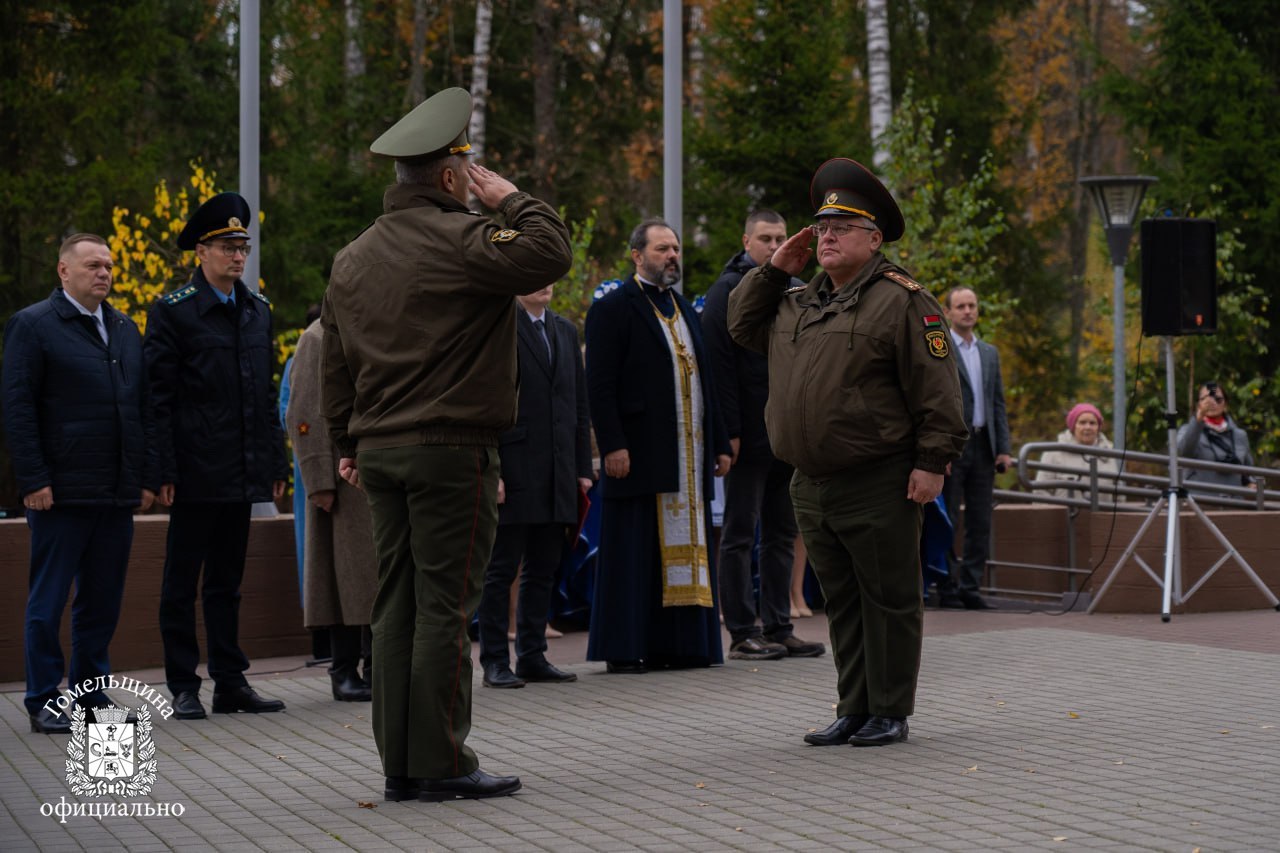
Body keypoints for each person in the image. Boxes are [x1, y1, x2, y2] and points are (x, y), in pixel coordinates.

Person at [320, 87, 572, 803]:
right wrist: (513, 196)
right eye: (465, 166)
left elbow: (336, 365)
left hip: (380, 451)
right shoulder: (462, 238)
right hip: (448, 448)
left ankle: (400, 761)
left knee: (395, 603)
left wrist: (346, 440)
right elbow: (549, 251)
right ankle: (441, 761)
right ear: (448, 175)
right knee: (443, 605)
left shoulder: (353, 257)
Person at [728, 157, 967, 747]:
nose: (826, 236)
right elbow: (736, 326)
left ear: (874, 238)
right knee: (841, 603)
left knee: (888, 600)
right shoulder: (798, 300)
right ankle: (854, 706)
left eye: (842, 227)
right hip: (812, 481)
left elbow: (938, 391)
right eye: (822, 227)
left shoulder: (904, 301)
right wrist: (773, 269)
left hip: (880, 477)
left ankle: (889, 709)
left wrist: (931, 463)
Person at [3, 234, 159, 734]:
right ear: (63, 272)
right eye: (93, 265)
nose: (104, 273)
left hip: (114, 492)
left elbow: (141, 411)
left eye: (109, 265)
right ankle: (44, 699)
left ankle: (91, 700)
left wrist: (143, 478)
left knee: (102, 601)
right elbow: (18, 408)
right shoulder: (33, 326)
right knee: (47, 602)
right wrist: (32, 478)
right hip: (60, 493)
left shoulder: (123, 328)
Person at [143, 192, 289, 721]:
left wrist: (274, 463)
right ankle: (184, 684)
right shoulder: (174, 312)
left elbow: (264, 395)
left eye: (243, 246)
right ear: (201, 252)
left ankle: (230, 681)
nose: (238, 256)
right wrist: (160, 470)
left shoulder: (256, 312)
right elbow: (157, 400)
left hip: (242, 469)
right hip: (194, 471)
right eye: (228, 246)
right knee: (182, 583)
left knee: (227, 583)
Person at [584, 218, 732, 673]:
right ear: (637, 255)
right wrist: (612, 444)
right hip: (638, 453)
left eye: (676, 249)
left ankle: (682, 645)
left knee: (689, 550)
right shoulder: (613, 309)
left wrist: (720, 443)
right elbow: (600, 384)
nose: (672, 256)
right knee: (635, 552)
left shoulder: (685, 309)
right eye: (663, 249)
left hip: (687, 458)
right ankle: (627, 648)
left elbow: (709, 379)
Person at [700, 209, 825, 662]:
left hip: (786, 435)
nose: (774, 246)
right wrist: (728, 433)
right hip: (748, 435)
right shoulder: (726, 291)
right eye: (765, 239)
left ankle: (778, 624)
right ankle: (741, 630)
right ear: (746, 241)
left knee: (781, 531)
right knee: (738, 531)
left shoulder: (794, 289)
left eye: (779, 238)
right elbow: (719, 369)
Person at [476, 284, 593, 689]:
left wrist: (581, 468)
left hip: (557, 470)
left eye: (550, 276)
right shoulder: (497, 326)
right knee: (501, 568)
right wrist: (494, 472)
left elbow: (578, 404)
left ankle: (531, 654)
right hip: (515, 466)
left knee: (544, 567)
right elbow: (486, 403)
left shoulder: (563, 329)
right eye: (535, 276)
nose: (544, 284)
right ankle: (494, 659)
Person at [286, 318, 375, 702]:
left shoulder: (374, 330)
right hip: (339, 479)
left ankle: (376, 667)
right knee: (342, 579)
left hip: (372, 473)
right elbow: (303, 413)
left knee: (373, 578)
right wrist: (319, 479)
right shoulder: (317, 337)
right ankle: (343, 670)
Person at [940, 286, 1012, 610]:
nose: (967, 311)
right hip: (954, 447)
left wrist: (1004, 448)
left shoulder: (989, 353)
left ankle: (971, 586)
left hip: (984, 446)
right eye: (961, 306)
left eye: (972, 305)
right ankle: (947, 587)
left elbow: (998, 403)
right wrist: (939, 450)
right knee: (949, 519)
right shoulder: (940, 351)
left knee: (981, 521)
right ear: (948, 313)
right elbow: (937, 402)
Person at [1177, 382, 1256, 493]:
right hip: (1198, 502)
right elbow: (1184, 452)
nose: (1212, 403)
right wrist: (1198, 419)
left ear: (1226, 405)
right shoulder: (1187, 430)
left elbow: (1249, 471)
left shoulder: (1240, 435)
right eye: (1205, 399)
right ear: (1198, 405)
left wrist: (1251, 483)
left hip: (1233, 503)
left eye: (1218, 399)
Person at [1034, 403, 1121, 499]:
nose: (1087, 427)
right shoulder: (1054, 453)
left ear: (1098, 427)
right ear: (1073, 426)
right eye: (1082, 422)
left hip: (1102, 513)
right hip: (1065, 514)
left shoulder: (1108, 454)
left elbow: (1119, 494)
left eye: (1092, 423)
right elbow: (1040, 492)